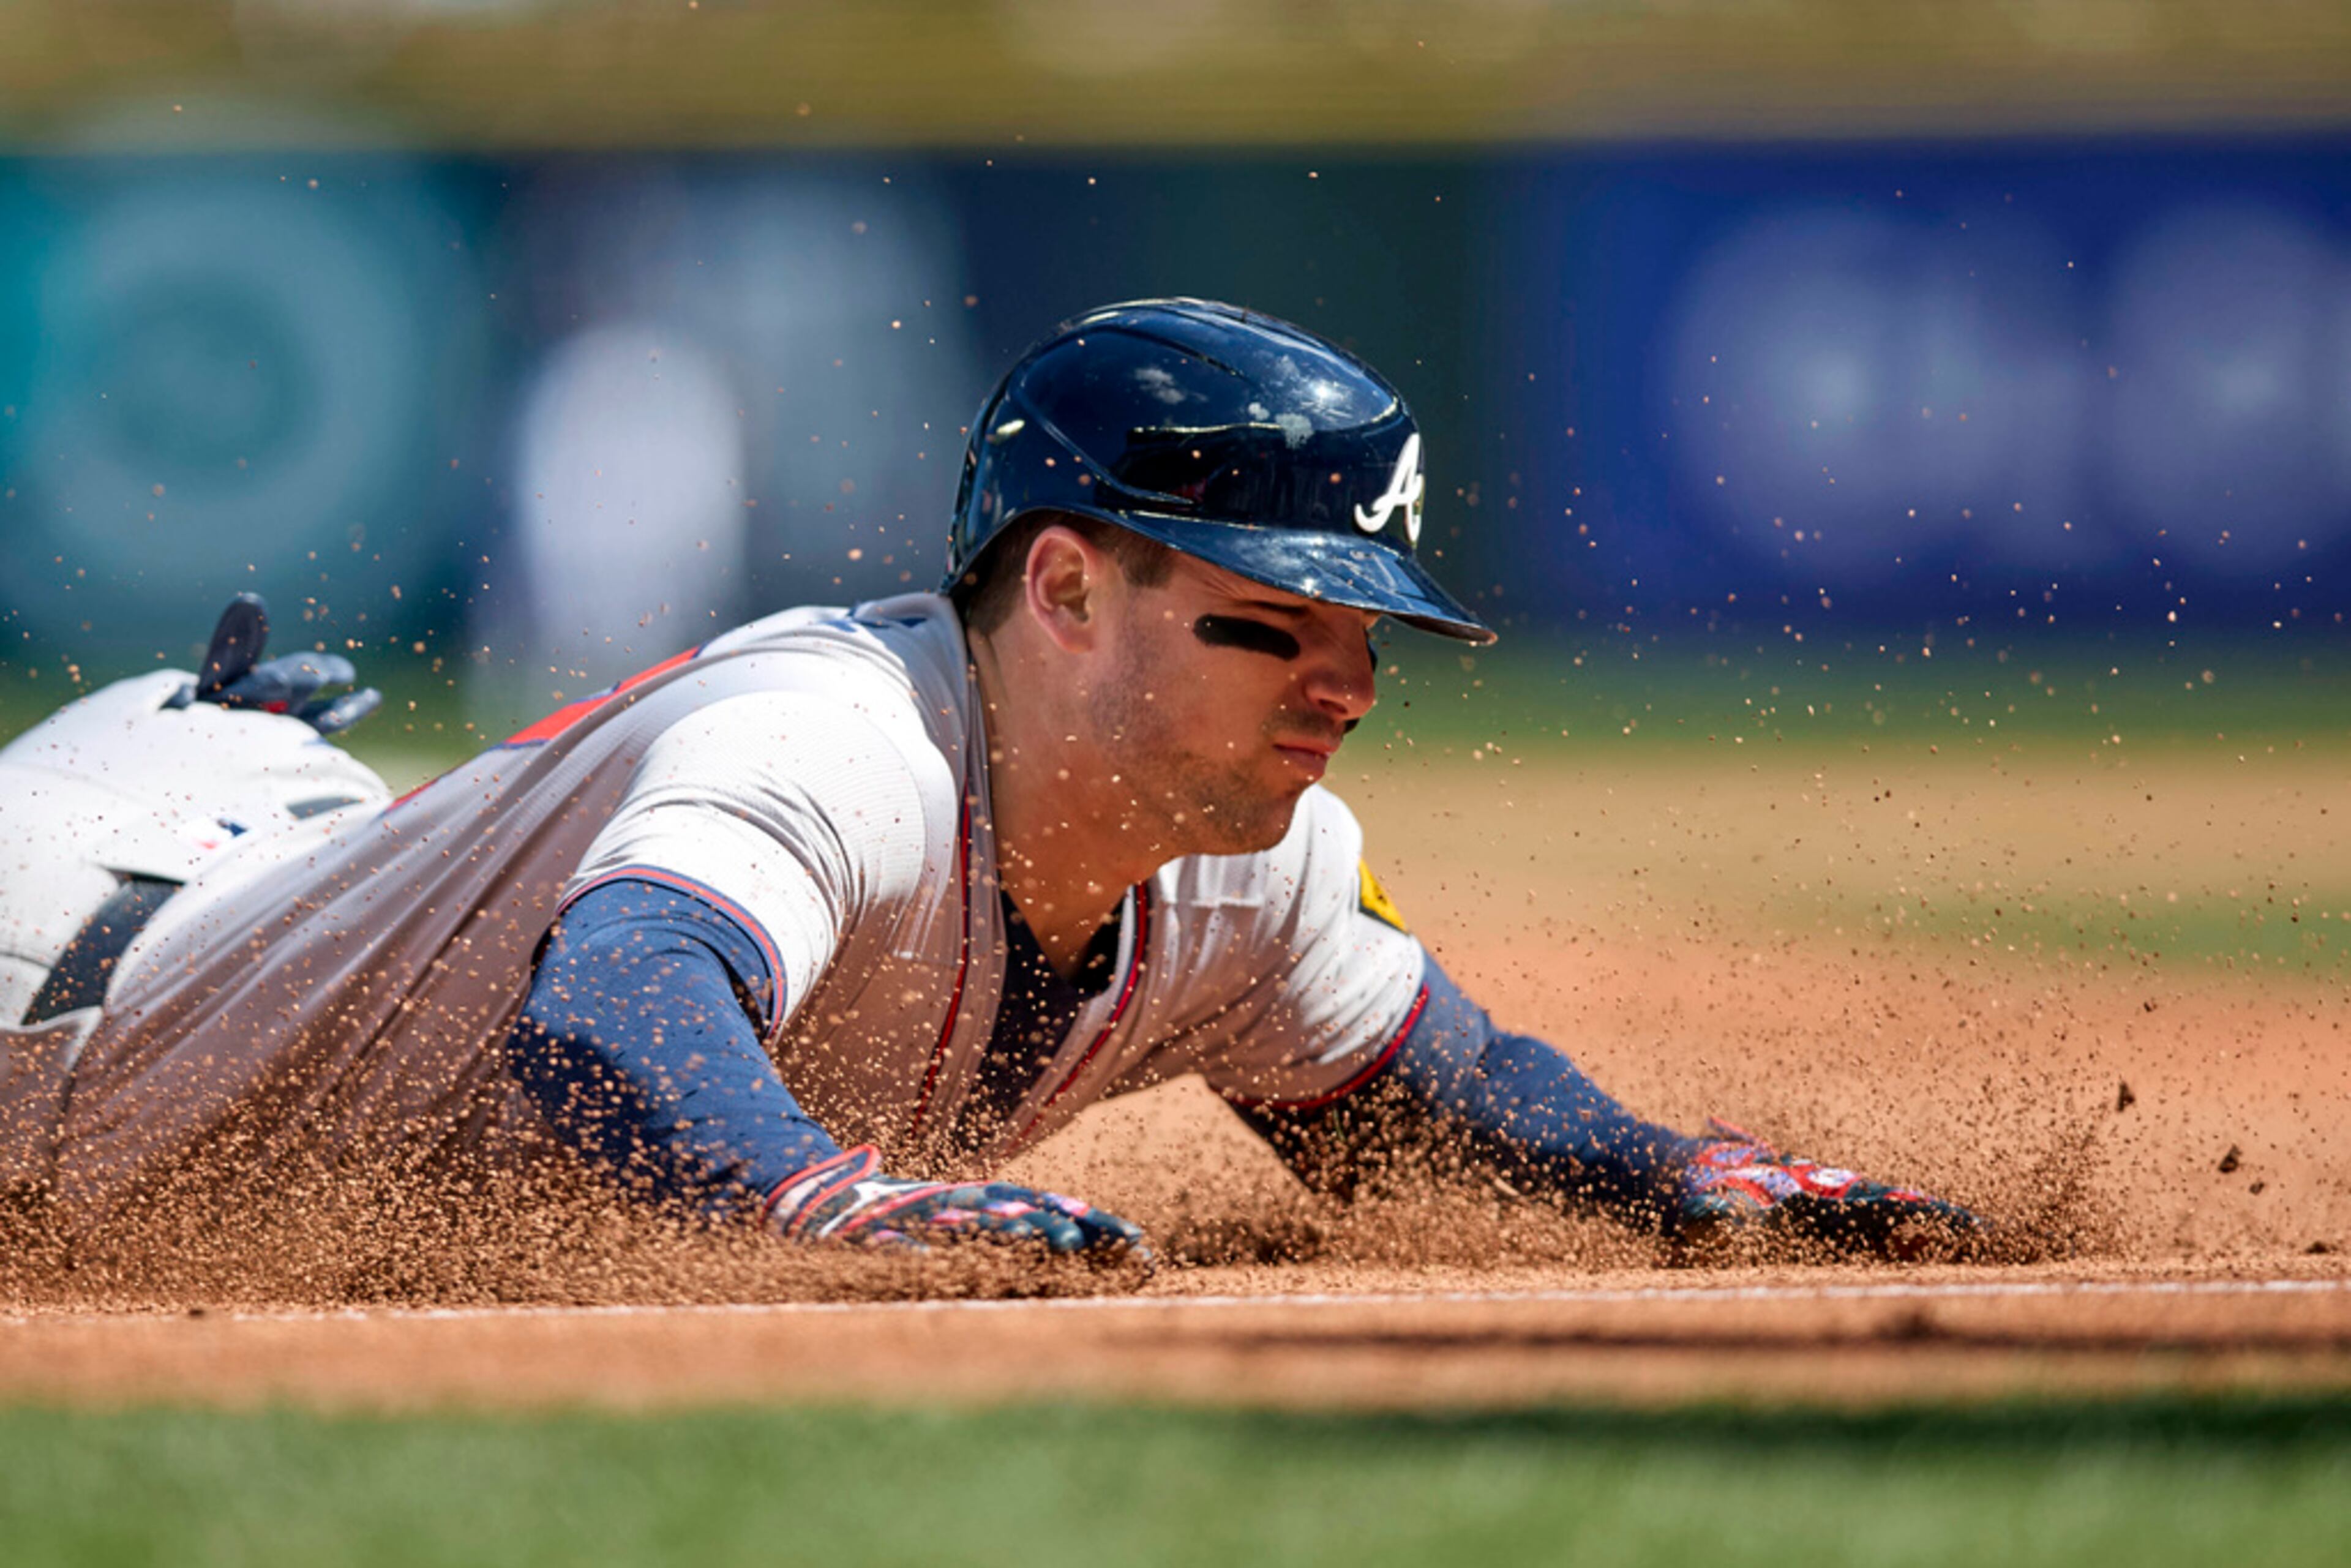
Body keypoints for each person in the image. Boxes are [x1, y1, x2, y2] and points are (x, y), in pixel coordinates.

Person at [0, 299, 1977, 1267]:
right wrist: (825, 1204)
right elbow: (607, 1014)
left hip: (270, 874)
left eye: (1369, 631)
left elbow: (1439, 1100)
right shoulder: (844, 737)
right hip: (60, 981)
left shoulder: (1250, 866)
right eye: (1277, 619)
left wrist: (1676, 1184)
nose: (1349, 682)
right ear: (1065, 586)